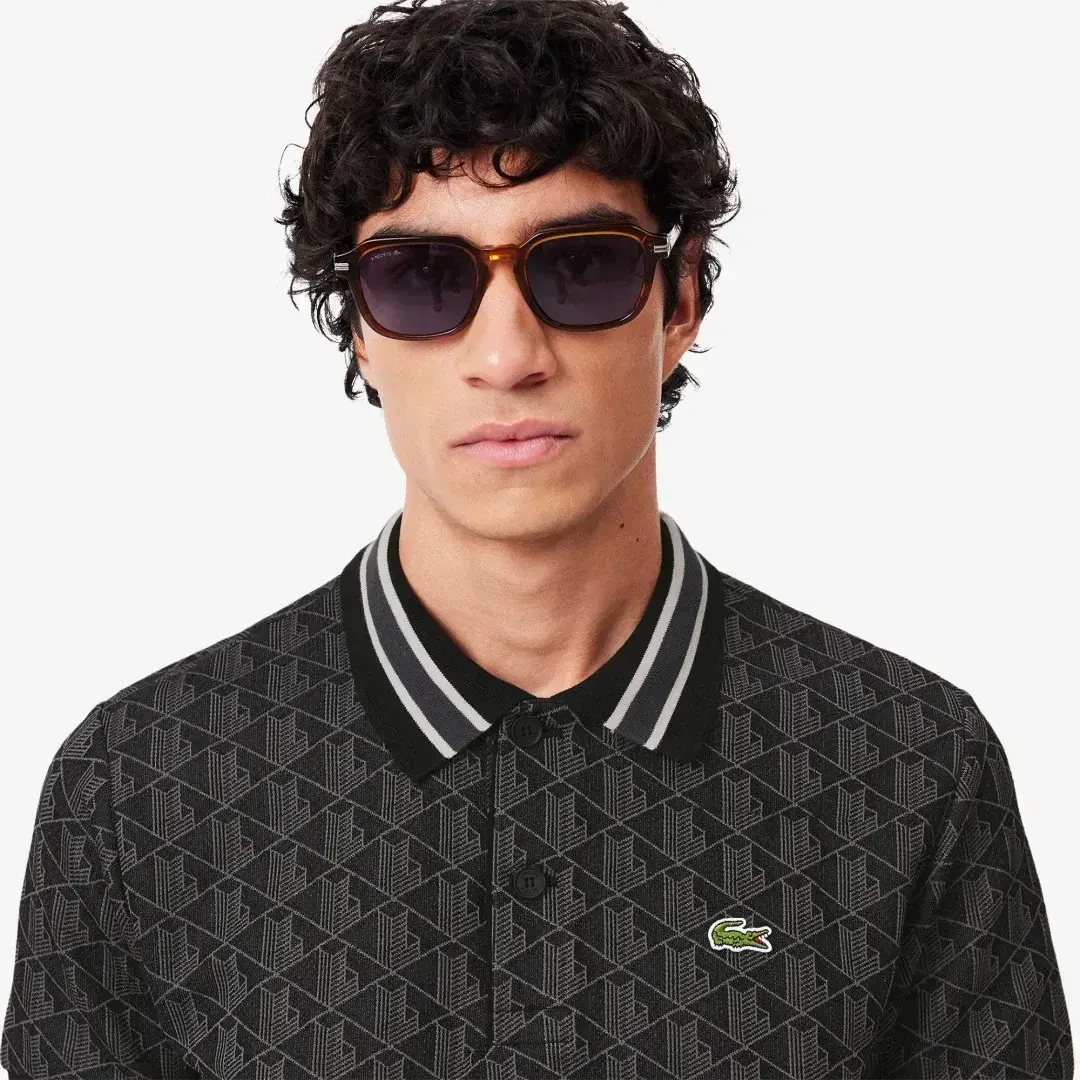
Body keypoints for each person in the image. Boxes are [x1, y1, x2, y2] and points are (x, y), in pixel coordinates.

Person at [2, 0, 1072, 1076]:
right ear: (360, 325)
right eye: (423, 278)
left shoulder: (908, 768)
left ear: (680, 300)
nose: (507, 356)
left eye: (581, 268)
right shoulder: (140, 792)